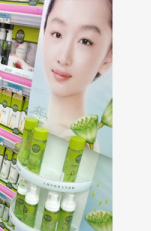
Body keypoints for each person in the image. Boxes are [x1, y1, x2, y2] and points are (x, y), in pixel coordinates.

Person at [40, 0, 112, 149]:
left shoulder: (76, 144)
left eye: (85, 41)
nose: (64, 57)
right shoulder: (46, 124)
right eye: (57, 34)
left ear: (108, 58)